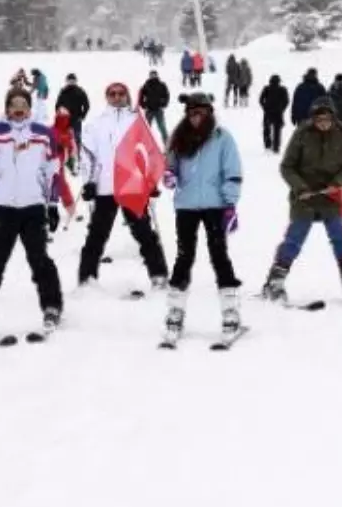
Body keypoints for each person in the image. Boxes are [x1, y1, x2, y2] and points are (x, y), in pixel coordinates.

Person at [0, 88, 63, 334]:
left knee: (39, 260)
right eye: (13, 104)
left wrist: (53, 204)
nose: (18, 109)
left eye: (23, 104)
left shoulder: (43, 134)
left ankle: (52, 306)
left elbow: (53, 171)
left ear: (29, 107)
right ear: (7, 108)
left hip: (33, 206)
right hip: (2, 207)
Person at [160, 93, 243, 342]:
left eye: (201, 112)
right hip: (186, 206)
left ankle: (230, 311)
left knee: (219, 256)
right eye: (192, 113)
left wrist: (230, 204)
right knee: (184, 256)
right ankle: (175, 311)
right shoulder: (178, 137)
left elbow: (232, 170)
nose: (196, 117)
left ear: (209, 112)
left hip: (214, 205)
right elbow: (169, 166)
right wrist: (169, 176)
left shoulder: (222, 138)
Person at [260, 97, 342, 306]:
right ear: (313, 118)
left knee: (340, 235)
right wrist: (300, 187)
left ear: (333, 117)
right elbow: (287, 166)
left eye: (327, 119)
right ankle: (275, 282)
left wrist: (338, 182)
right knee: (295, 237)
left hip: (331, 196)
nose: (323, 123)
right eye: (319, 119)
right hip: (305, 196)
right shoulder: (302, 134)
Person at [78, 82, 170, 289]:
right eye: (113, 94)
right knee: (96, 235)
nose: (117, 97)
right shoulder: (96, 124)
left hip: (132, 186)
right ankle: (86, 278)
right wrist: (89, 182)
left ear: (126, 96)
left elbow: (149, 152)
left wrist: (150, 181)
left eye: (121, 93)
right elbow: (87, 156)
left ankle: (159, 275)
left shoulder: (138, 121)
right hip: (105, 187)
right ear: (107, 97)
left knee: (145, 233)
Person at [54, 73, 90, 153]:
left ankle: (77, 155)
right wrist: (58, 113)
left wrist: (82, 116)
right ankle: (62, 154)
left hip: (76, 119)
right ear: (67, 81)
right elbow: (58, 104)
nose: (71, 82)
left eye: (72, 80)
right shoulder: (63, 91)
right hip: (63, 119)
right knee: (61, 137)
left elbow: (86, 105)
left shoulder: (80, 91)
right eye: (69, 80)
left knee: (76, 138)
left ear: (75, 81)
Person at [138, 69, 170, 144]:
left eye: (154, 75)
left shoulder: (162, 85)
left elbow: (167, 95)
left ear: (157, 75)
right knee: (146, 129)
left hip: (158, 110)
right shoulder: (146, 85)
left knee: (162, 128)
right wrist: (143, 104)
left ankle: (167, 145)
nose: (153, 76)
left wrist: (164, 103)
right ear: (149, 76)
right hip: (149, 110)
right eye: (152, 75)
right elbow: (141, 96)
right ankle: (144, 144)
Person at [259, 74, 290, 153]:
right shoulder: (282, 89)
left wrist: (265, 107)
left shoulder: (267, 88)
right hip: (278, 113)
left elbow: (261, 99)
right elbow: (286, 101)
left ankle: (268, 145)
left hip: (268, 112)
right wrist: (282, 108)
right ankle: (276, 146)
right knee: (277, 131)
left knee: (267, 129)